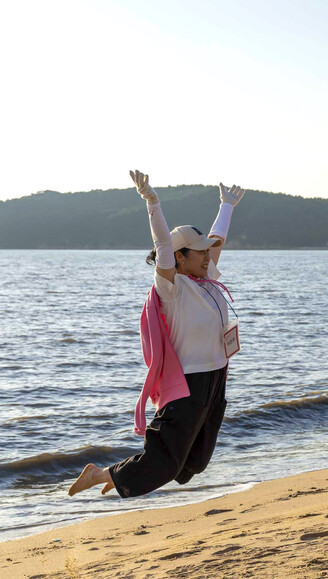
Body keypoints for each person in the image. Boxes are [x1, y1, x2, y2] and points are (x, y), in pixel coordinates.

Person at [68, 170, 245, 497]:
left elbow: (217, 238)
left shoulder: (206, 277)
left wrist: (227, 205)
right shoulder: (172, 288)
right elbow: (163, 243)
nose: (209, 255)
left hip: (216, 377)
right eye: (201, 252)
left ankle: (114, 474)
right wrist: (152, 201)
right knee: (165, 462)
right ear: (180, 258)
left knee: (193, 464)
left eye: (208, 252)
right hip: (189, 382)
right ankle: (98, 474)